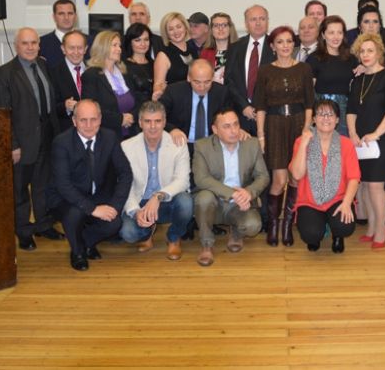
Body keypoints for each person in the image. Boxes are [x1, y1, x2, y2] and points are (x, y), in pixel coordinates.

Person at [46, 99, 133, 271]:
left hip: (97, 194)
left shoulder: (109, 137)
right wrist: (92, 209)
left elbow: (125, 173)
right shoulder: (61, 143)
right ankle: (77, 252)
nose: (88, 125)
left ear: (100, 119)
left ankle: (84, 242)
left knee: (114, 223)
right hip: (66, 198)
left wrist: (115, 206)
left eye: (93, 119)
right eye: (83, 120)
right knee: (75, 213)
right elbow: (63, 185)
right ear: (74, 121)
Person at [0, 27, 62, 251]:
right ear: (16, 46)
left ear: (39, 45)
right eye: (25, 43)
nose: (30, 47)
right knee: (20, 189)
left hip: (47, 136)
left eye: (34, 43)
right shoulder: (6, 73)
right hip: (22, 142)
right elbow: (4, 113)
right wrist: (13, 144)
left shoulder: (43, 65)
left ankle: (43, 225)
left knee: (43, 185)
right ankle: (23, 231)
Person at [254, 25, 315, 246]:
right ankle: (273, 225)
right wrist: (261, 135)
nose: (285, 46)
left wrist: (306, 129)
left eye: (289, 41)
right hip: (274, 125)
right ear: (272, 46)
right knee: (279, 180)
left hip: (298, 125)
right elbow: (260, 106)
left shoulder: (304, 69)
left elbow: (309, 103)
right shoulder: (265, 71)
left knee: (296, 177)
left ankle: (288, 225)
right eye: (280, 42)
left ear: (294, 44)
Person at [192, 107, 269, 266]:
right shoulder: (202, 146)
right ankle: (207, 244)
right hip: (214, 202)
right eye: (226, 126)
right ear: (215, 130)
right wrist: (232, 193)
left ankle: (236, 232)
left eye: (236, 124)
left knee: (253, 226)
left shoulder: (252, 144)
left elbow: (263, 176)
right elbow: (201, 179)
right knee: (204, 198)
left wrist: (249, 192)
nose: (233, 131)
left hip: (240, 204)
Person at [119, 101, 193, 260]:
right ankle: (147, 233)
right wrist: (135, 211)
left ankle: (174, 238)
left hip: (167, 200)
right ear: (140, 123)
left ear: (164, 122)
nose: (153, 126)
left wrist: (158, 196)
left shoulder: (178, 144)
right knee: (128, 233)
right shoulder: (126, 147)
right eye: (148, 121)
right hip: (139, 202)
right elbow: (124, 186)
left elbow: (183, 181)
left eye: (158, 121)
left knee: (186, 202)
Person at [347, 33, 385, 248]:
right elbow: (351, 111)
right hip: (361, 142)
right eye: (362, 51)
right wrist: (353, 134)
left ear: (379, 53)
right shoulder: (358, 80)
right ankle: (371, 226)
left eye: (370, 50)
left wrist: (376, 134)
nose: (366, 55)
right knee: (366, 184)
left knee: (376, 186)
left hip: (381, 140)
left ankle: (380, 230)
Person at [289, 99, 360, 253]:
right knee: (311, 234)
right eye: (321, 114)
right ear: (314, 119)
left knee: (345, 226)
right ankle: (316, 236)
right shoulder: (301, 141)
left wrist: (347, 203)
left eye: (330, 114)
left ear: (337, 120)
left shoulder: (346, 144)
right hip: (309, 201)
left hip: (338, 199)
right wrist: (304, 144)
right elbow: (297, 174)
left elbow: (354, 178)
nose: (326, 118)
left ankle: (337, 235)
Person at [159, 59, 233, 159]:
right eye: (197, 82)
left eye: (207, 82)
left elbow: (228, 118)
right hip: (181, 144)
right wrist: (172, 129)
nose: (202, 87)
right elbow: (158, 116)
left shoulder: (221, 93)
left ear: (213, 78)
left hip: (211, 146)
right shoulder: (174, 91)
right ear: (188, 78)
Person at [224, 4, 275, 135]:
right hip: (240, 116)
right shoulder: (235, 47)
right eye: (253, 19)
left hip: (268, 116)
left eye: (262, 19)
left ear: (267, 21)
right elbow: (228, 80)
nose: (258, 23)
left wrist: (260, 108)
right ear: (246, 23)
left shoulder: (276, 47)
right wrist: (244, 106)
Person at [307, 15, 358, 137]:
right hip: (321, 113)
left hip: (345, 114)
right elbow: (308, 93)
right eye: (331, 33)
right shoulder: (314, 59)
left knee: (342, 146)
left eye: (339, 32)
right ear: (323, 35)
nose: (336, 37)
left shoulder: (351, 59)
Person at [81, 31, 138, 138]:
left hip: (131, 133)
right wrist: (120, 119)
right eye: (114, 45)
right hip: (106, 136)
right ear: (102, 47)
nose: (119, 49)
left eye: (119, 46)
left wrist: (132, 116)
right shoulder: (91, 75)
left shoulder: (125, 72)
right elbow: (91, 109)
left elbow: (137, 100)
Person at [49, 30, 87, 132]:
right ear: (63, 49)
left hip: (94, 129)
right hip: (67, 131)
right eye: (71, 48)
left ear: (85, 49)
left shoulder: (94, 70)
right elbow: (51, 107)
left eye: (80, 48)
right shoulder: (53, 73)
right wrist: (65, 106)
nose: (76, 52)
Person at [152, 12, 194, 99]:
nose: (176, 32)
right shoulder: (163, 55)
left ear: (185, 27)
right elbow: (158, 84)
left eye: (179, 27)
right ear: (166, 33)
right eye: (171, 29)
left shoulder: (193, 49)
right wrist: (158, 91)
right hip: (175, 101)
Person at [198, 12, 238, 84]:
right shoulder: (205, 53)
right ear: (211, 30)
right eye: (216, 26)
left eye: (224, 25)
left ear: (230, 29)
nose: (220, 29)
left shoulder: (239, 51)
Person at [122, 22, 154, 109]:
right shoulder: (123, 66)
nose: (143, 44)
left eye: (146, 39)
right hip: (134, 112)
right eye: (137, 40)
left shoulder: (156, 64)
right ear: (130, 42)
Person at [39, 0, 78, 68]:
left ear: (75, 16)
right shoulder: (40, 44)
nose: (66, 18)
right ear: (54, 17)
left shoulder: (90, 42)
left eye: (70, 13)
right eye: (61, 14)